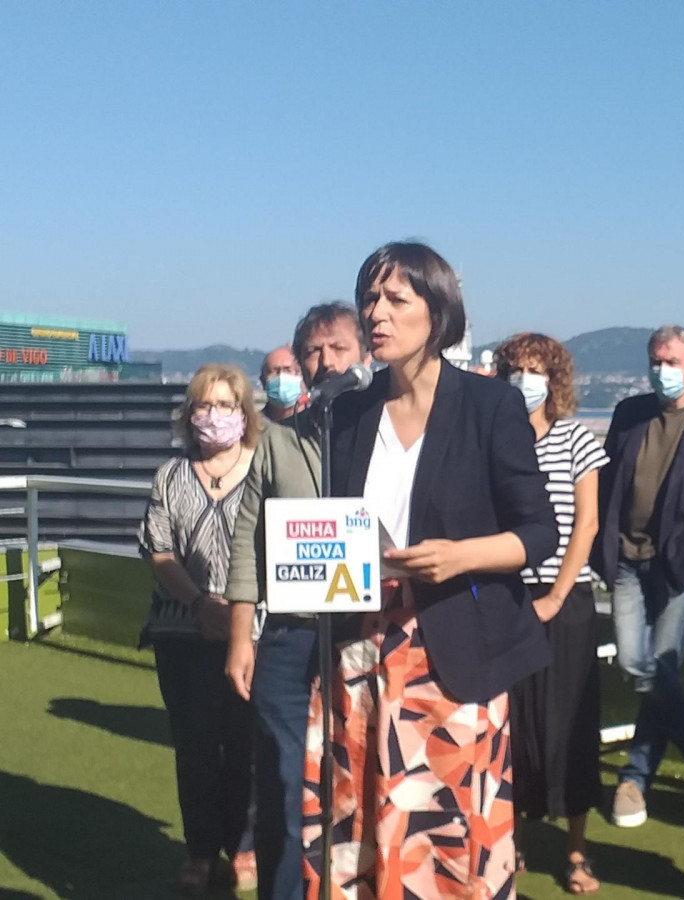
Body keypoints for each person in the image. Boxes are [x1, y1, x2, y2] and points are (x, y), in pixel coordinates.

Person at [298, 242, 558, 900]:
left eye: (394, 300)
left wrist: (459, 556)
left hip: (454, 655)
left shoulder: (488, 405)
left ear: (436, 313)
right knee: (359, 821)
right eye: (369, 299)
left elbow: (539, 533)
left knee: (449, 837)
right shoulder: (346, 414)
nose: (375, 314)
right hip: (359, 652)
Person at [225, 302, 368, 900]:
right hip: (287, 633)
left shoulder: (380, 431)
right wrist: (239, 635)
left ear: (362, 352)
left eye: (337, 347)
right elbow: (246, 539)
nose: (325, 360)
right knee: (286, 781)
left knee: (360, 778)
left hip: (364, 631)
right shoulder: (275, 441)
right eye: (313, 350)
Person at [592, 325, 684, 829]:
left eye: (672, 361)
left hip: (679, 560)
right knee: (636, 663)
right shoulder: (629, 413)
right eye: (655, 360)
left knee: (662, 665)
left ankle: (634, 780)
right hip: (626, 557)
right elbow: (606, 478)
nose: (662, 371)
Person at [138, 363, 264, 894]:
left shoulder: (265, 470)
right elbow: (159, 551)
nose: (213, 416)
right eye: (203, 405)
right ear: (190, 414)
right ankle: (199, 848)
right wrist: (198, 605)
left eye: (225, 405)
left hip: (251, 634)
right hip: (180, 632)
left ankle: (242, 845)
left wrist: (234, 614)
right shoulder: (170, 475)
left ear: (244, 413)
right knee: (193, 745)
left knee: (244, 746)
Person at [493, 333, 609, 895]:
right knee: (510, 726)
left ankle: (577, 850)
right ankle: (508, 839)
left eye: (536, 370)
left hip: (566, 604)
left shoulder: (577, 440)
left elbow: (584, 525)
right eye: (515, 369)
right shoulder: (492, 440)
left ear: (555, 379)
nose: (525, 380)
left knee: (570, 727)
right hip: (507, 602)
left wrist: (557, 596)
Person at [261, 346, 306, 423]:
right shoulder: (253, 426)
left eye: (288, 370)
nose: (281, 376)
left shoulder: (319, 422)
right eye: (274, 371)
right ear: (263, 380)